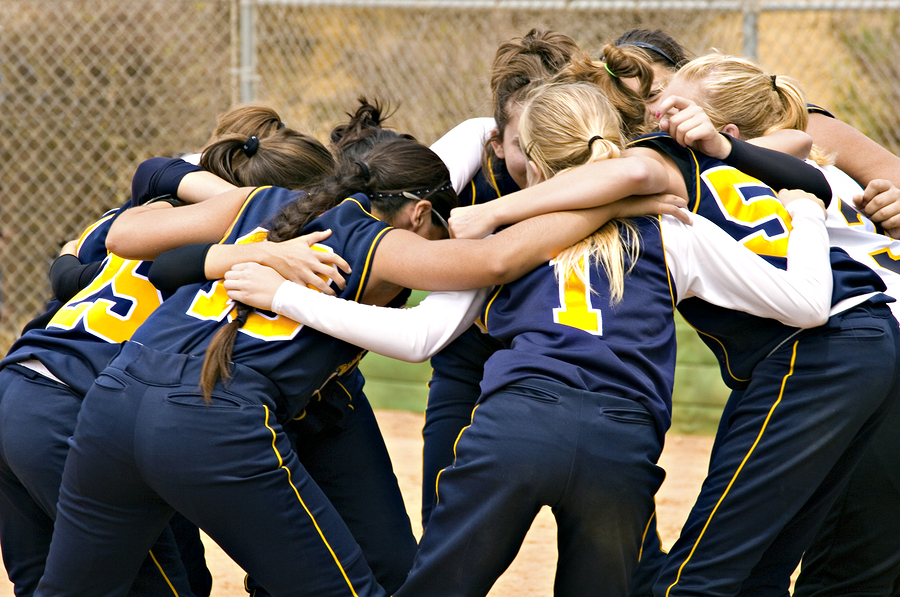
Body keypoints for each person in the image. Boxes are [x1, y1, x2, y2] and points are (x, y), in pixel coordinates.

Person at [220, 74, 835, 597]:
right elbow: (807, 305)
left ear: (533, 165)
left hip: (513, 431)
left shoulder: (502, 243)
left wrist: (285, 297)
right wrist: (807, 211)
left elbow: (417, 336)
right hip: (620, 448)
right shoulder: (674, 228)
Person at [0, 103, 336, 597]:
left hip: (18, 381)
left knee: (46, 580)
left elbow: (67, 272)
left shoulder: (141, 213)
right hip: (76, 410)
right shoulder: (237, 247)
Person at [658, 51, 900, 597]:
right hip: (871, 337)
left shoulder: (697, 165)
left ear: (727, 124)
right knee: (794, 561)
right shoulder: (806, 161)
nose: (658, 115)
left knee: (717, 570)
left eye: (668, 101)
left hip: (834, 345)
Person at [420, 27, 580, 527]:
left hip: (568, 362)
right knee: (443, 516)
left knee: (620, 532)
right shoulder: (469, 165)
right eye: (522, 143)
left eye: (556, 136)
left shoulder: (598, 168)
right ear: (496, 139)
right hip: (469, 354)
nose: (541, 156)